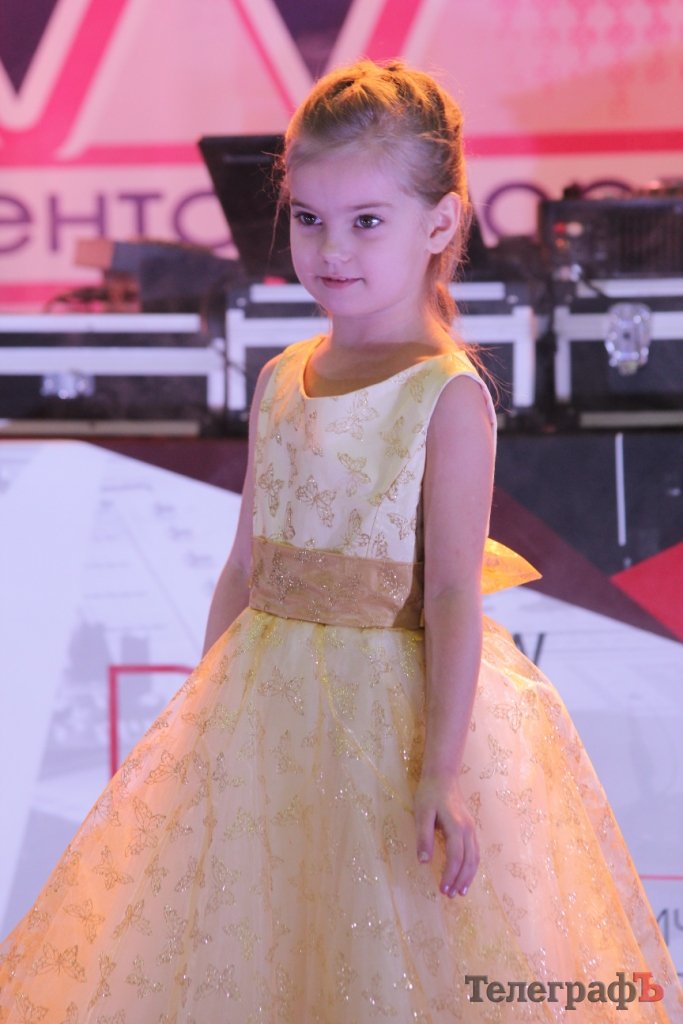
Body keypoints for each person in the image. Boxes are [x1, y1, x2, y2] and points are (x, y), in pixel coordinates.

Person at [1, 59, 681, 1023]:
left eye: (367, 220)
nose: (331, 248)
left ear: (439, 224)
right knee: (259, 937)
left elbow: (451, 594)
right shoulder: (282, 376)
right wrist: (201, 728)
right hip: (265, 715)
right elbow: (246, 564)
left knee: (379, 950)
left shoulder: (446, 393)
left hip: (387, 729)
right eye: (310, 218)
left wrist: (439, 771)